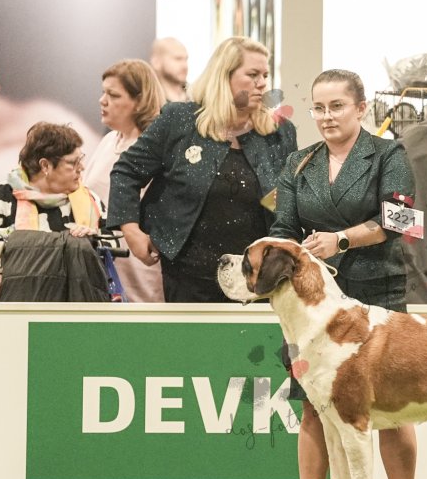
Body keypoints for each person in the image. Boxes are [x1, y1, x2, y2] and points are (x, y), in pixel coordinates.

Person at [270, 69, 419, 479]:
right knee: (313, 405)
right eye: (318, 107)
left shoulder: (389, 153)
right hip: (314, 306)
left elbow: (403, 221)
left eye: (337, 106)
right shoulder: (298, 162)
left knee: (392, 407)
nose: (327, 116)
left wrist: (342, 239)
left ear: (361, 108)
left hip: (379, 292)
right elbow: (282, 229)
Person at [108, 36, 297, 302]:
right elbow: (126, 171)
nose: (263, 83)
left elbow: (288, 199)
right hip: (187, 275)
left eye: (265, 75)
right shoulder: (179, 120)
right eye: (253, 74)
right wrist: (131, 231)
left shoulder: (280, 132)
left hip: (258, 277)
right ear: (224, 76)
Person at [0, 122, 105, 301]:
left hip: (69, 310)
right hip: (3, 307)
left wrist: (92, 241)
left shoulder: (91, 202)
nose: (82, 168)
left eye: (81, 159)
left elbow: (112, 248)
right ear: (45, 166)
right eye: (73, 162)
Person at [83, 59, 166, 302]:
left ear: (140, 101)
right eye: (103, 92)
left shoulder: (157, 149)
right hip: (102, 269)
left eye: (113, 95)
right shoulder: (108, 141)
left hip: (142, 270)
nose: (103, 100)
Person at [150, 37, 190, 103]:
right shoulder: (149, 100)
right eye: (178, 59)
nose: (185, 66)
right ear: (156, 62)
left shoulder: (197, 97)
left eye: (186, 59)